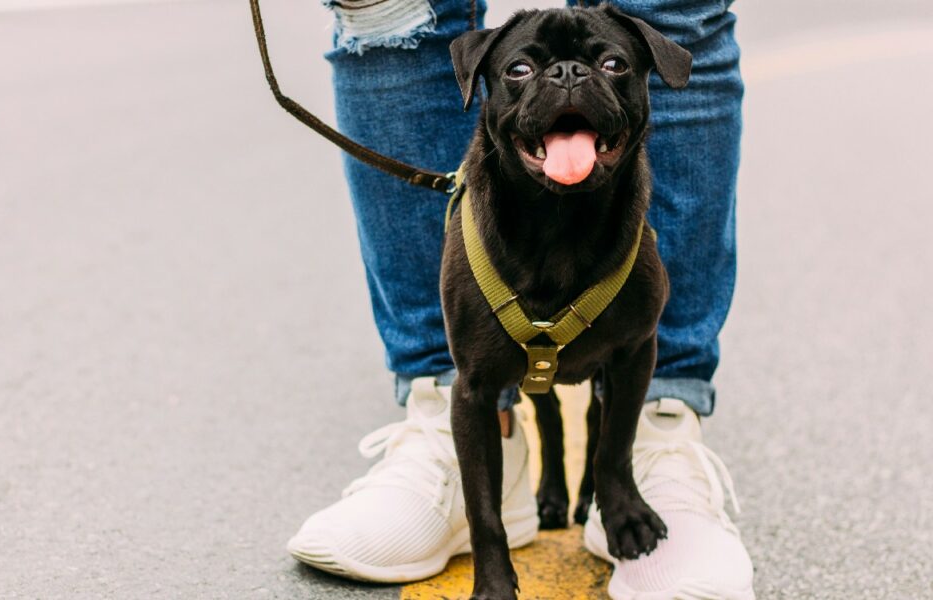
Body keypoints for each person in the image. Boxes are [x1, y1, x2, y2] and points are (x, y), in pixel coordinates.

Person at [287, 0, 754, 597]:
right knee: (387, 7)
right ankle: (445, 429)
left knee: (671, 4)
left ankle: (649, 446)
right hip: (493, 254)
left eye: (608, 64)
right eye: (521, 72)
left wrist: (611, 476)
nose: (566, 80)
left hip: (618, 267)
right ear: (479, 80)